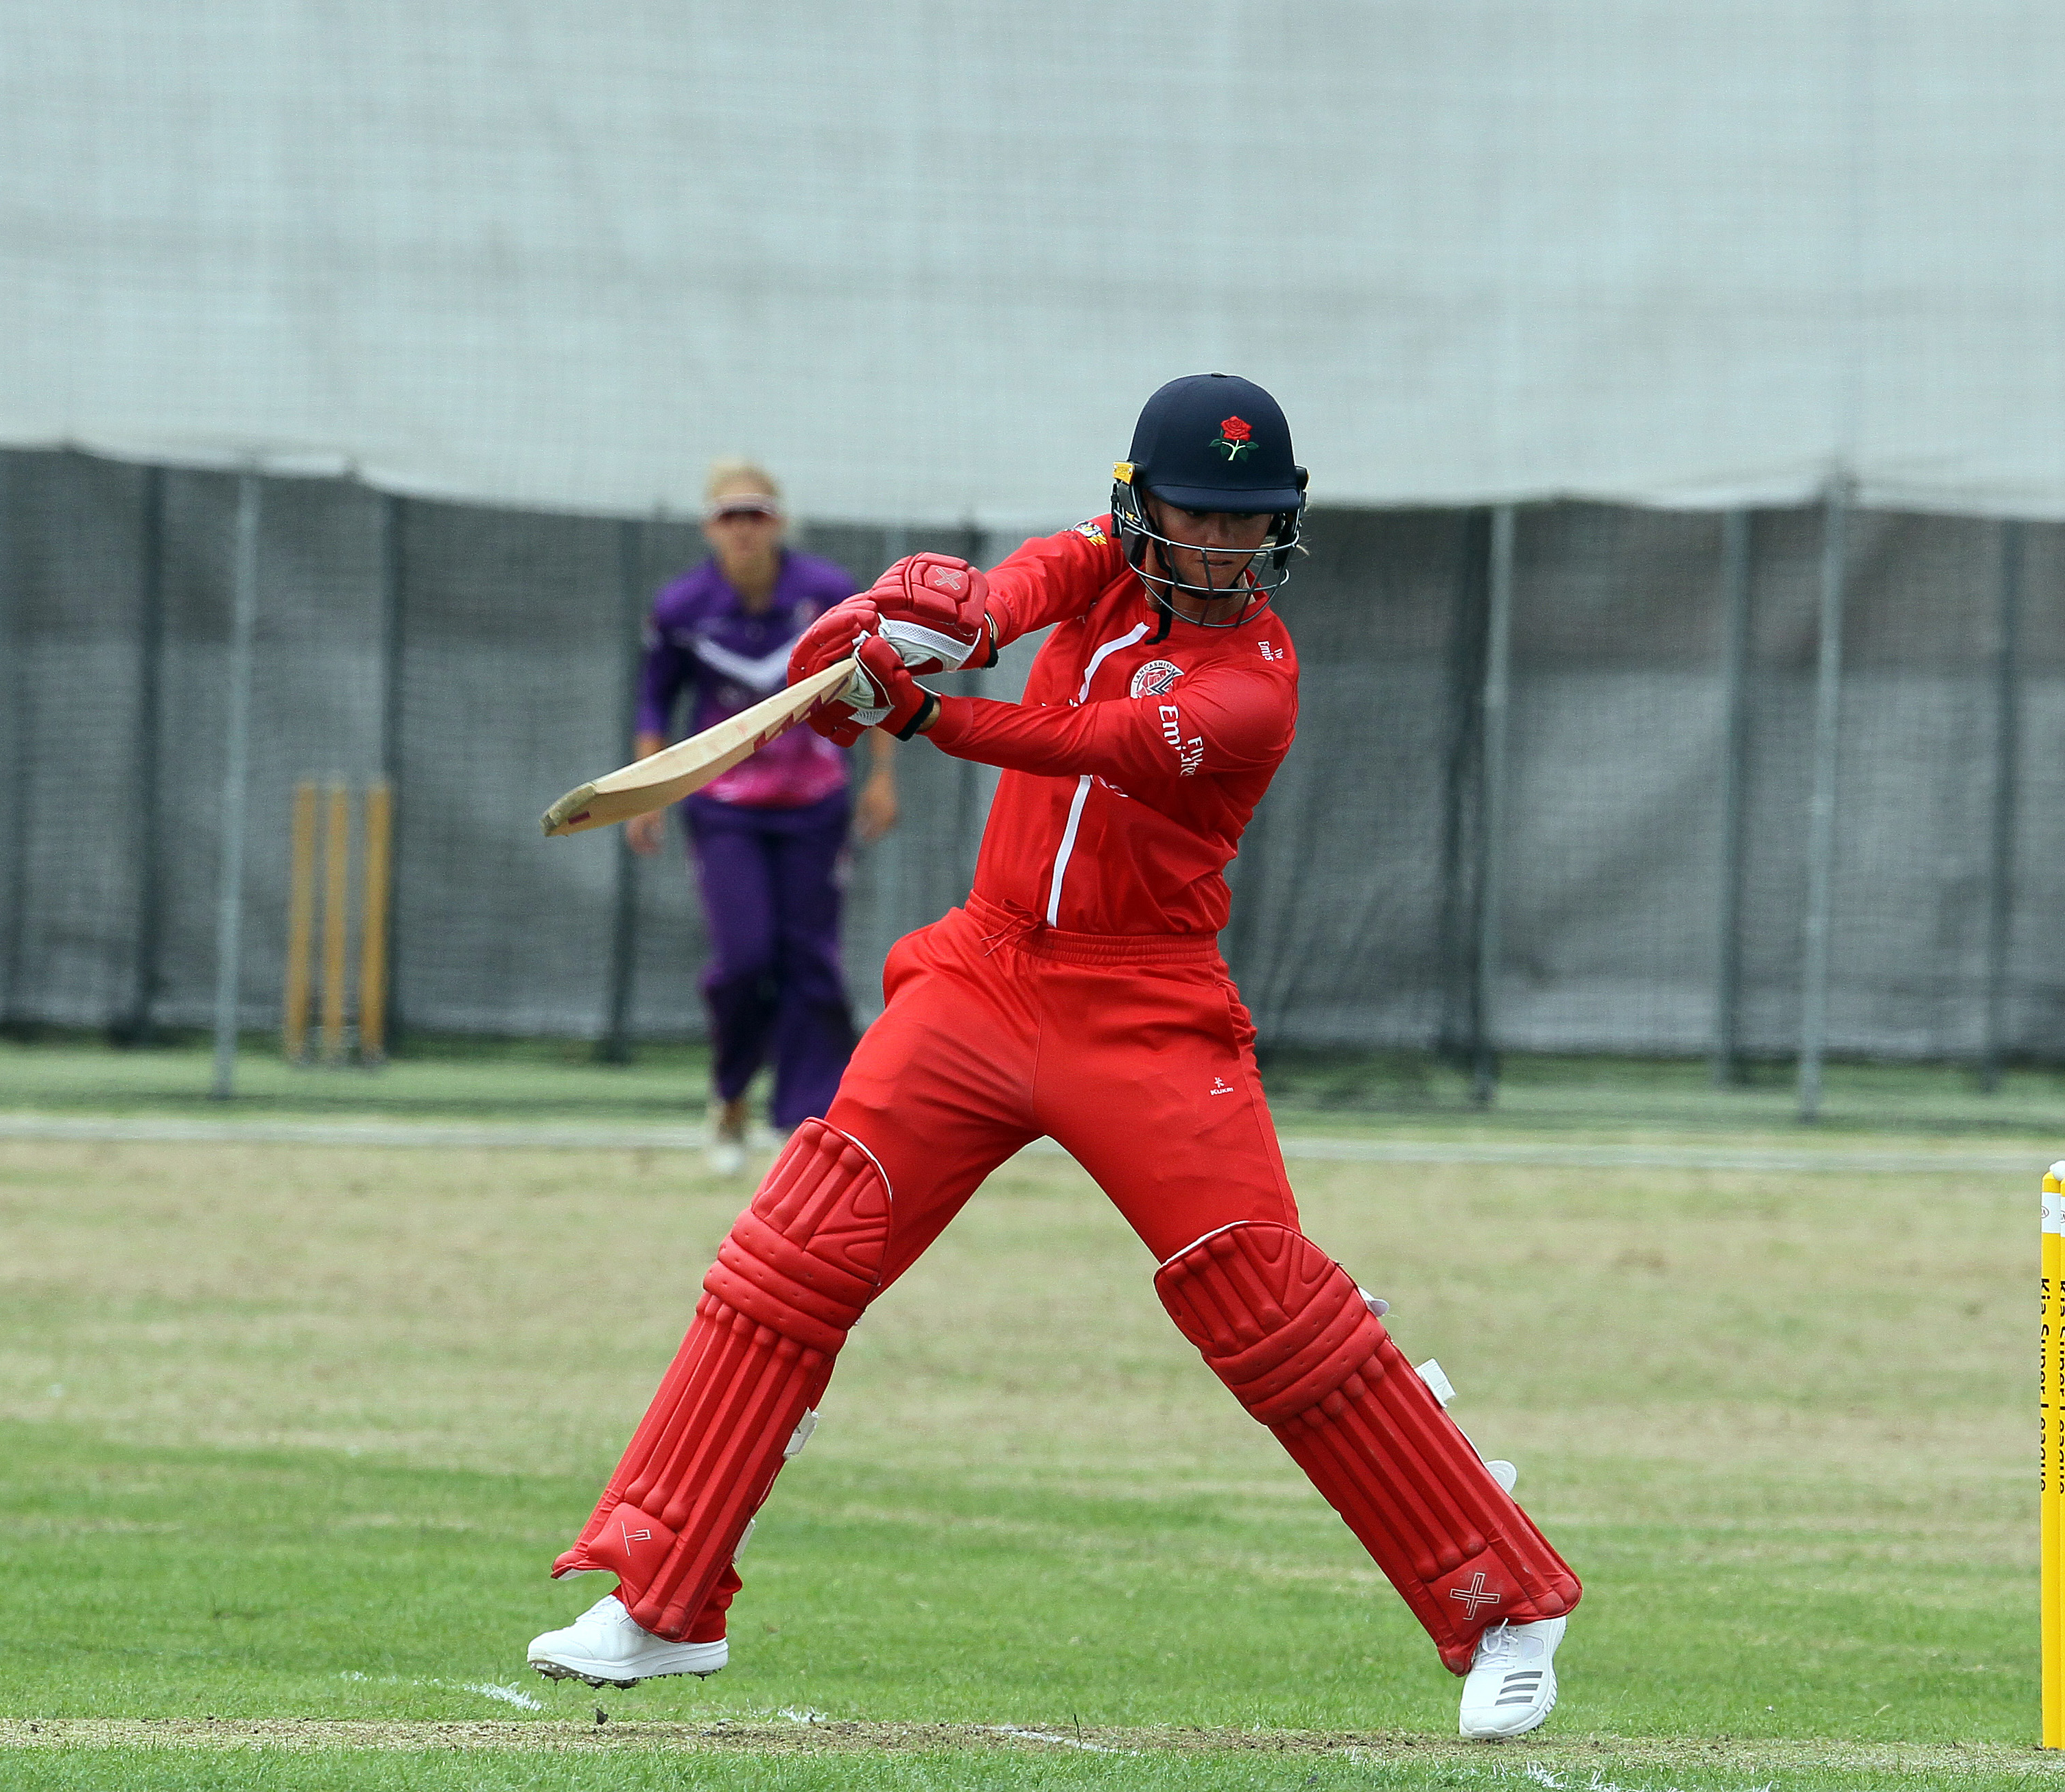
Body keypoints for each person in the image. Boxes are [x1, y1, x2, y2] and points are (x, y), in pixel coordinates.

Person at [526, 376, 1582, 1739]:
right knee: (793, 1253)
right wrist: (930, 621)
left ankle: (1507, 1600)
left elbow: (1085, 742)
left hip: (1145, 1002)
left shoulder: (1255, 686)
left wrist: (920, 715)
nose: (1223, 546)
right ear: (1138, 506)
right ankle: (663, 1597)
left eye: (1250, 521)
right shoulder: (1097, 560)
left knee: (1267, 1310)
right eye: (1197, 515)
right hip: (980, 973)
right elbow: (1016, 590)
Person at [632, 460, 899, 1174]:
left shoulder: (827, 593)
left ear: (779, 521)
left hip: (815, 804)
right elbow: (655, 700)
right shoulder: (683, 606)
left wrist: (881, 777)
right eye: (730, 515)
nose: (744, 529)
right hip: (725, 810)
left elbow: (874, 682)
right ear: (708, 526)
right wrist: (645, 789)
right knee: (746, 958)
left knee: (811, 960)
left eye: (756, 513)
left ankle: (807, 1122)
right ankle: (730, 1096)